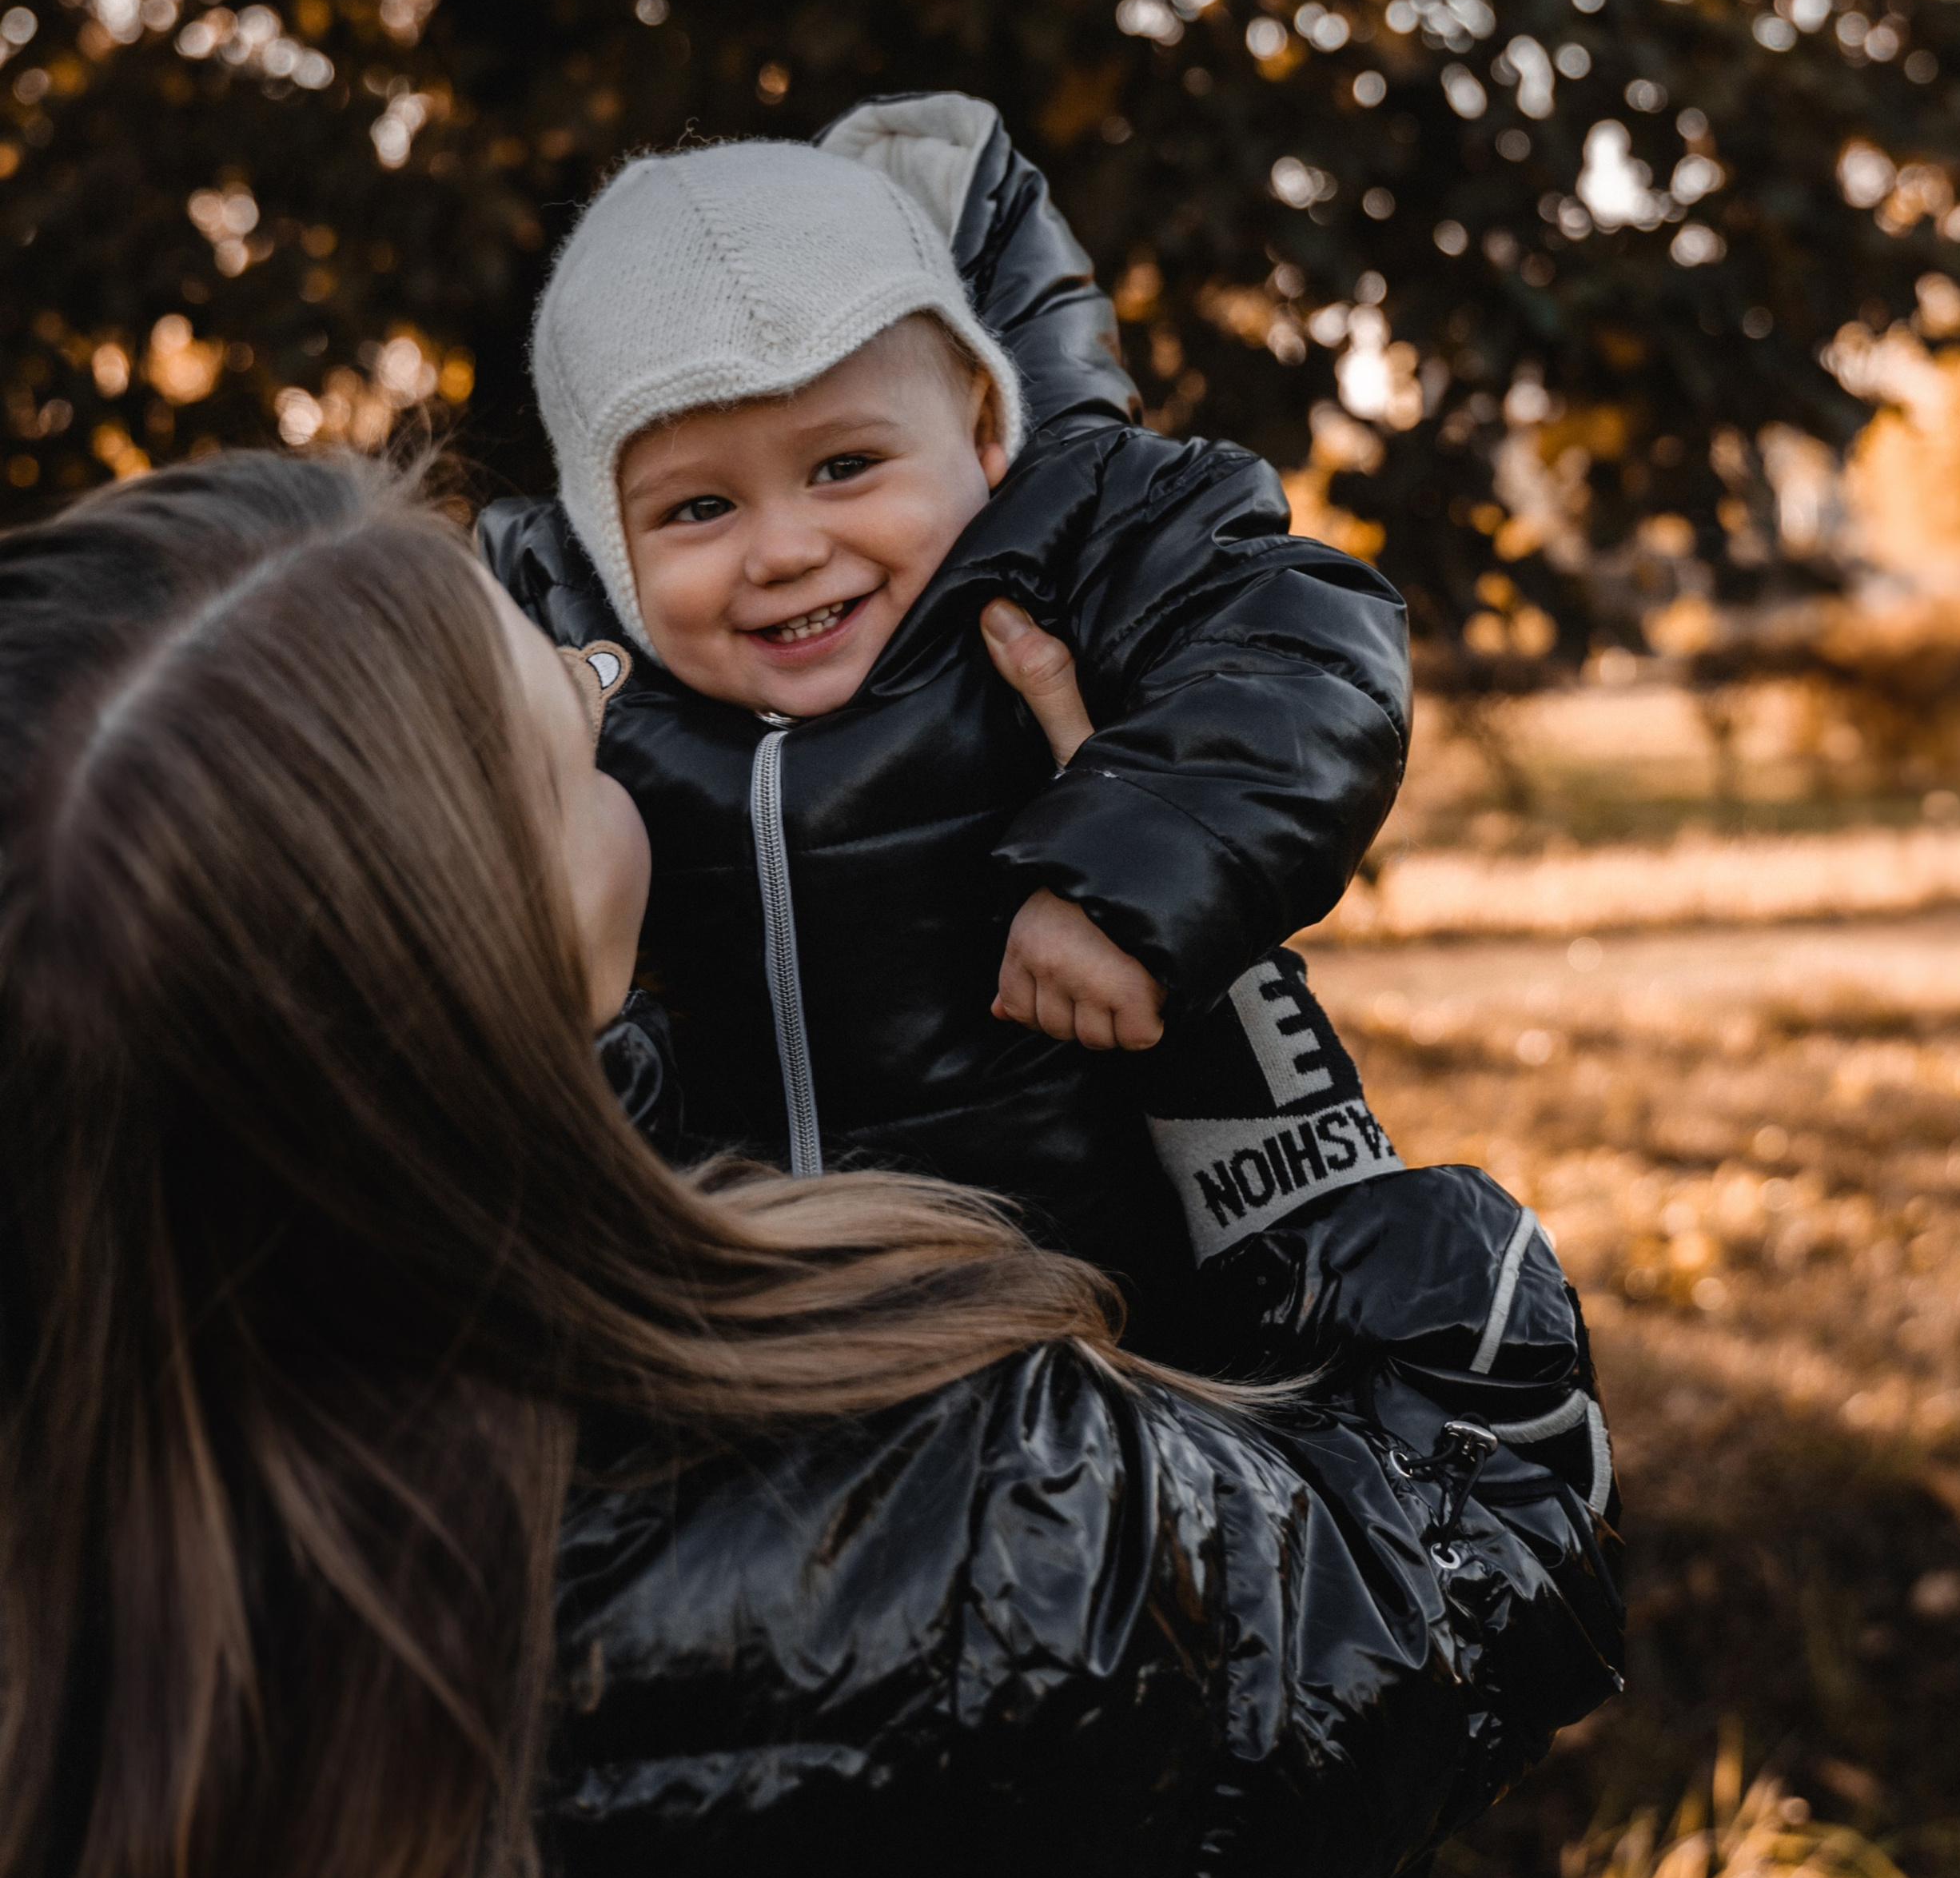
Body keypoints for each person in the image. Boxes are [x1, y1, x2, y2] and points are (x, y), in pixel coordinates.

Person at [0, 451, 1622, 1878]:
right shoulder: (921, 1514)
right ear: (495, 942)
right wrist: (1192, 932)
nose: (627, 727)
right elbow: (1471, 1535)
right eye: (576, 720)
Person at [480, 90, 1414, 1358]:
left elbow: (1311, 652)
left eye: (844, 467)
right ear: (601, 528)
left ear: (981, 430)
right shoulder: (552, 650)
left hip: (1086, 1318)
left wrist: (1127, 877)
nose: (788, 550)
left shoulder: (1068, 544)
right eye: (698, 508)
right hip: (735, 1330)